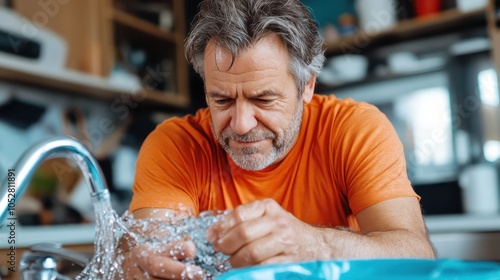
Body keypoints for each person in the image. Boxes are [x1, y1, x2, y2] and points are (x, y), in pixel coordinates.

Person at [122, 0, 436, 278]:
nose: (242, 125)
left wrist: (314, 245)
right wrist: (137, 264)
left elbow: (416, 257)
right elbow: (149, 249)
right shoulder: (175, 146)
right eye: (222, 101)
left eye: (264, 100)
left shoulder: (355, 130)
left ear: (307, 86)